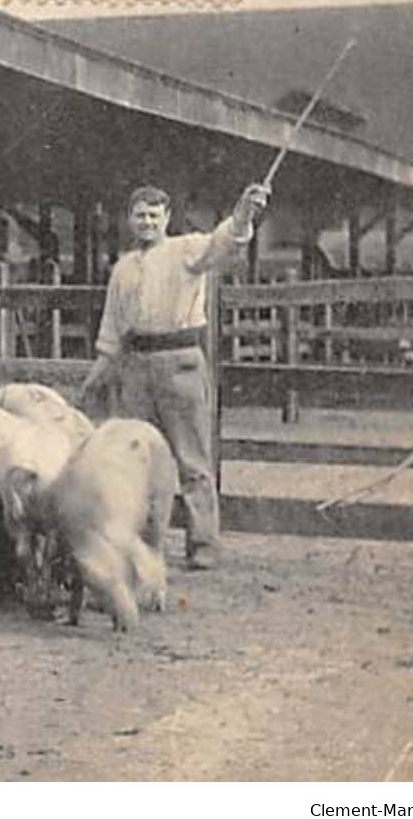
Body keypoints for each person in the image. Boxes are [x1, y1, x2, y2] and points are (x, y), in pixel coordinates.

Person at [80, 181, 271, 570]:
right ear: (129, 220)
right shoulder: (122, 269)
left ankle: (203, 544)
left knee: (192, 457)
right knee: (133, 457)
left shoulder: (186, 250)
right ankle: (138, 541)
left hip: (179, 364)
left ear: (167, 218)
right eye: (140, 215)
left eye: (154, 215)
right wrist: (97, 374)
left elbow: (226, 241)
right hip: (134, 367)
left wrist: (244, 213)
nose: (147, 222)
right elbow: (112, 328)